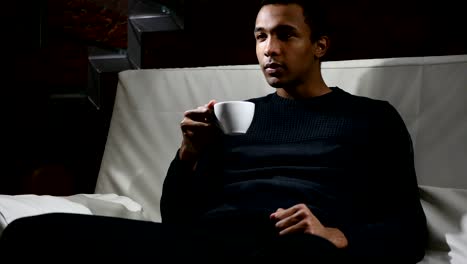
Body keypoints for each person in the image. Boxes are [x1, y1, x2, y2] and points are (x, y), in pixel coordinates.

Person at [0, 0, 427, 263]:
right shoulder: (233, 117)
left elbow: (407, 227)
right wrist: (189, 153)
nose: (269, 49)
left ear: (320, 45)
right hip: (209, 240)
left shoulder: (371, 117)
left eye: (286, 34)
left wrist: (340, 235)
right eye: (260, 36)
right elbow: (177, 219)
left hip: (292, 245)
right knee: (32, 233)